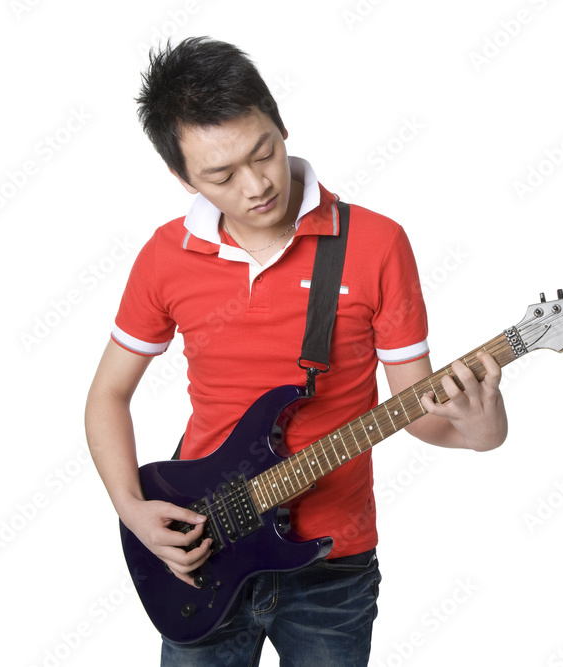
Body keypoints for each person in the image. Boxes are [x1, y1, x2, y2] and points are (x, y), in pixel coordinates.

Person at [84, 36, 508, 666]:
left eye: (264, 153)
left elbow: (414, 409)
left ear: (281, 125)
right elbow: (107, 396)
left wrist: (483, 431)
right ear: (181, 178)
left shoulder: (376, 243)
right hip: (203, 551)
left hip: (333, 568)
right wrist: (133, 511)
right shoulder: (164, 257)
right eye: (220, 176)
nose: (256, 185)